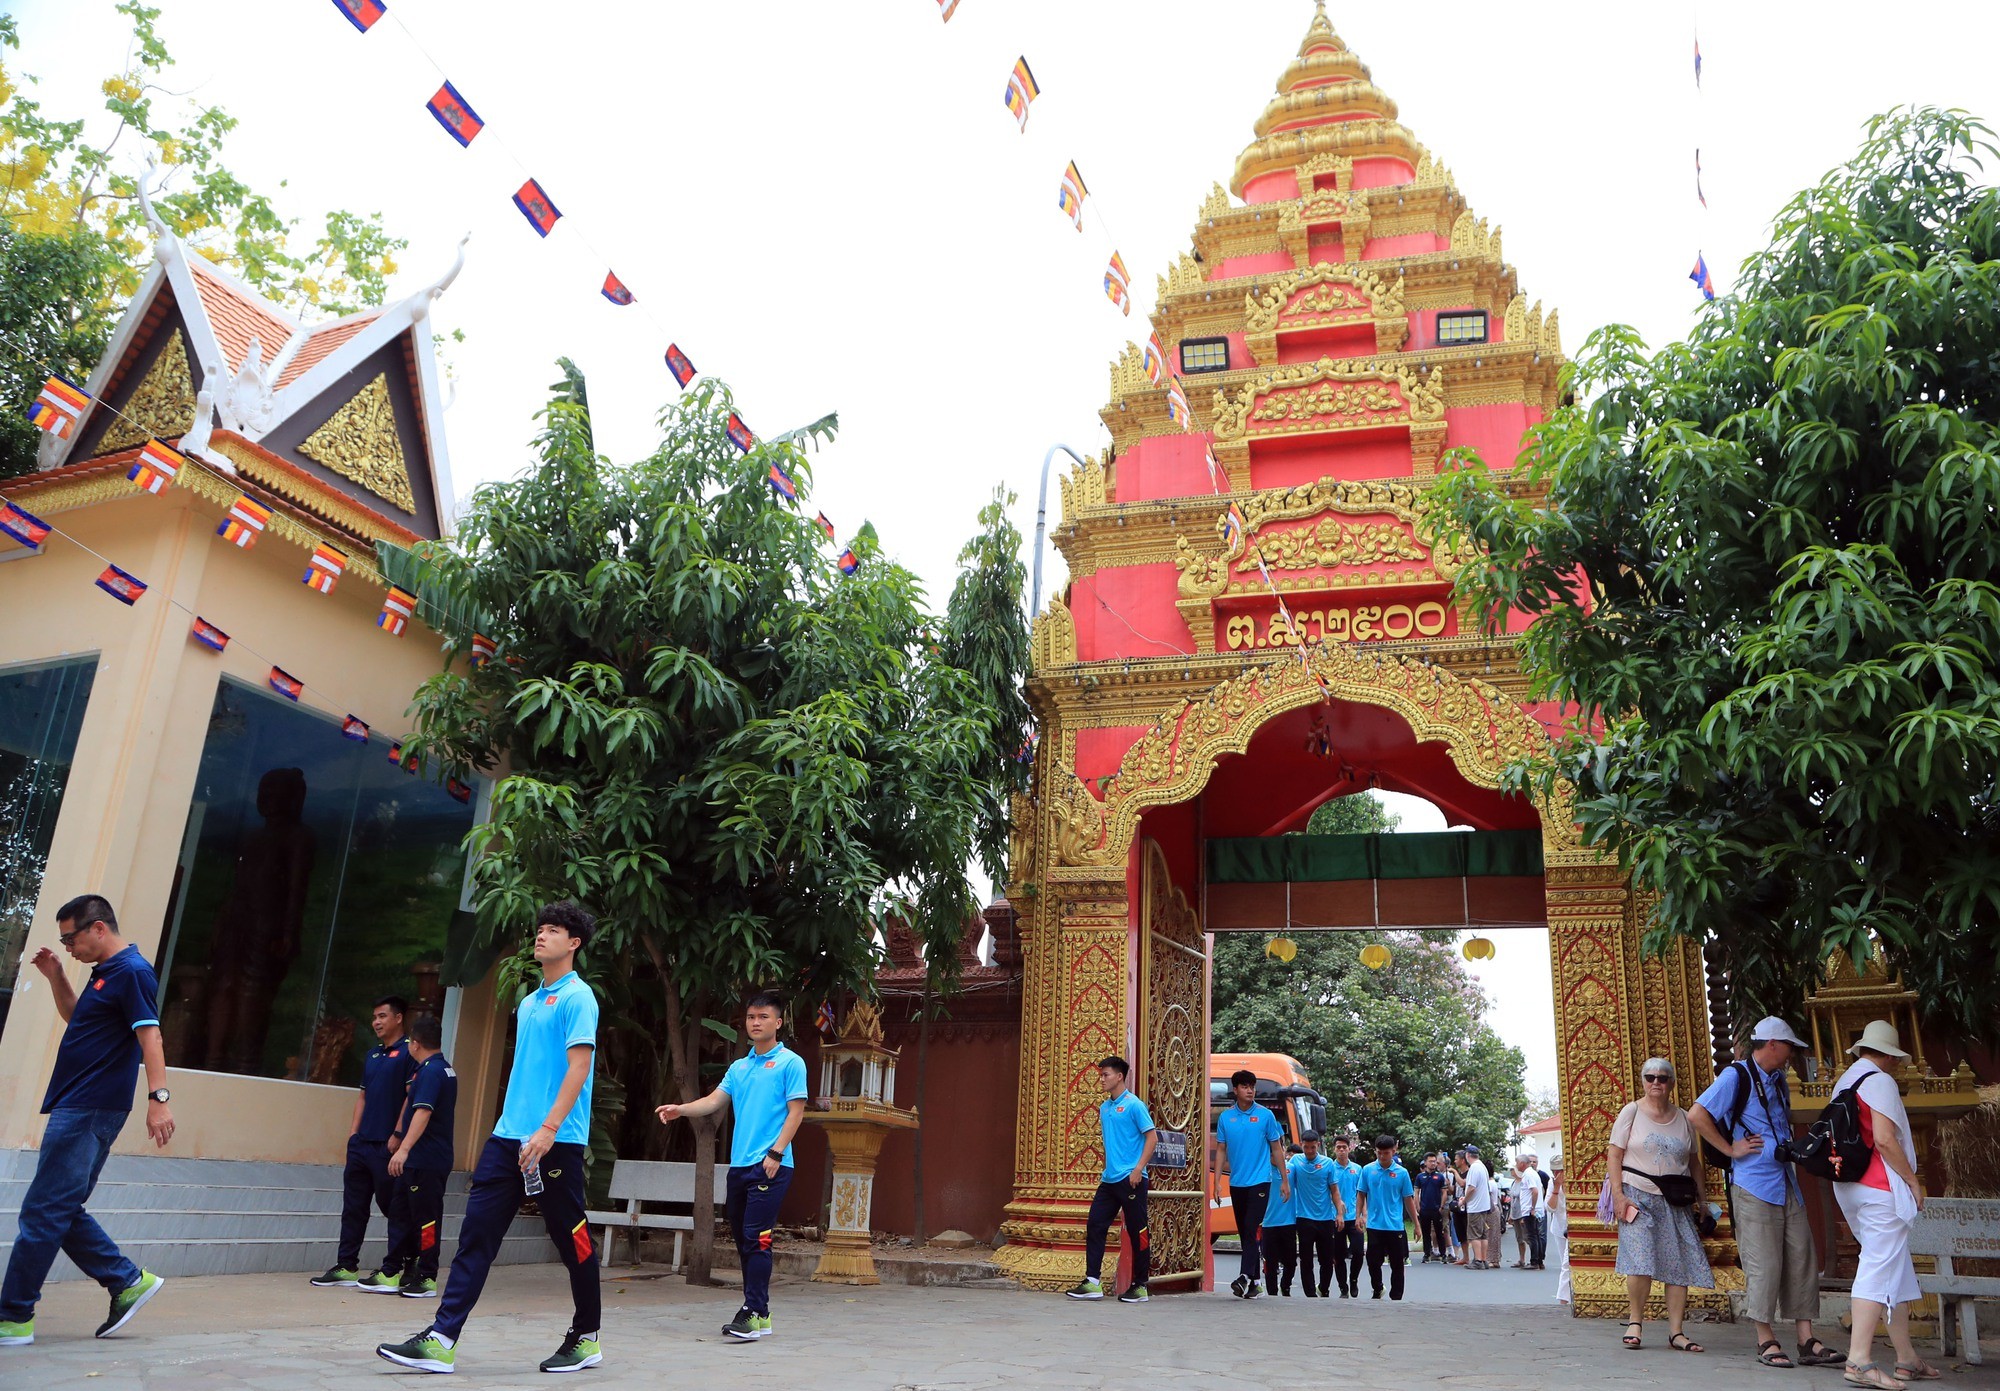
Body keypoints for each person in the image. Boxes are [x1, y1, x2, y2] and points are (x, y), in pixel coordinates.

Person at [375, 903, 602, 1375]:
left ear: (574, 943)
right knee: (477, 1235)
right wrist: (512, 1127)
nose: (541, 936)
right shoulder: (531, 1001)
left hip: (554, 1141)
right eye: (539, 929)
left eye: (553, 930)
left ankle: (587, 1335)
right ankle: (442, 1337)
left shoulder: (580, 998)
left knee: (572, 1238)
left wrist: (548, 1128)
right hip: (507, 1139)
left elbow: (578, 1068)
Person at [0, 895, 171, 1348]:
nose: (68, 947)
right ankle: (126, 1280)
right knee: (58, 1207)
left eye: (69, 938)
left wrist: (159, 1099)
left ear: (97, 928)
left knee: (43, 1210)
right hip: (81, 1103)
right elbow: (79, 1020)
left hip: (89, 1107)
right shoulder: (106, 975)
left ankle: (13, 1316)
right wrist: (57, 976)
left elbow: (150, 1035)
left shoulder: (132, 971)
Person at [1689, 1017, 1844, 1371]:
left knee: (1801, 1257)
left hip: (1785, 1180)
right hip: (1753, 1182)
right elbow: (1697, 1114)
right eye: (1789, 1046)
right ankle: (1765, 1337)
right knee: (1764, 1263)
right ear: (1773, 1044)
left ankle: (1806, 1339)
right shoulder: (1736, 1076)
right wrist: (1730, 1149)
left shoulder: (1778, 1081)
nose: (1792, 1054)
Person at [656, 990, 809, 1340]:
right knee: (743, 1239)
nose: (756, 1022)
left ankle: (754, 1311)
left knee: (757, 1237)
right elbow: (714, 1100)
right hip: (740, 1167)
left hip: (771, 1164)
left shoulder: (790, 1063)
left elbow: (796, 1112)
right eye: (751, 1017)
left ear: (778, 1022)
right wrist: (680, 1110)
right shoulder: (740, 1067)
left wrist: (776, 1153)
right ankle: (759, 1311)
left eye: (763, 1017)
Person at [1831, 1022, 1939, 1389]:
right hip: (1880, 1187)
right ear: (1890, 1056)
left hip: (1849, 1186)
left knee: (1895, 1265)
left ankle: (1907, 1357)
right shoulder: (1880, 1081)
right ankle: (1858, 1360)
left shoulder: (1844, 1080)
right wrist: (1913, 1180)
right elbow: (1885, 1139)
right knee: (1878, 1265)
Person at [1607, 1056, 1713, 1353]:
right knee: (1639, 1259)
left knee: (1677, 1263)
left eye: (1662, 1078)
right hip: (1637, 1194)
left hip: (1675, 1199)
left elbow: (1694, 1162)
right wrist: (1618, 1195)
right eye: (1650, 1077)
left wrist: (1703, 1201)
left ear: (1671, 1084)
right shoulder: (1631, 1112)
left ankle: (1676, 1331)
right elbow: (1614, 1155)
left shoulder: (1682, 1117)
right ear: (1642, 1081)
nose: (1656, 1082)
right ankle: (1635, 1321)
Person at [316, 996, 416, 1289]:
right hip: (362, 1145)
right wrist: (352, 1135)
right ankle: (346, 1265)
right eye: (374, 1017)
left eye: (383, 1016)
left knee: (393, 1207)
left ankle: (402, 1264)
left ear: (398, 1018)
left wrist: (398, 1135)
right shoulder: (372, 1055)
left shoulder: (410, 1052)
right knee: (353, 1207)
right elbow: (362, 1096)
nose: (376, 1022)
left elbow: (412, 1098)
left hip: (388, 1146)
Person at [369, 1014, 457, 1300]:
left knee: (426, 1219)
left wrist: (404, 1149)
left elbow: (423, 1111)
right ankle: (391, 1270)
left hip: (425, 1160)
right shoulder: (439, 1068)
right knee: (401, 1214)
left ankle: (427, 1275)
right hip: (421, 1159)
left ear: (415, 1043)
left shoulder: (432, 1072)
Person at [1066, 1056, 1157, 1304]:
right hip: (1109, 1180)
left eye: (1106, 1074)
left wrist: (1138, 1169)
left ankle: (1140, 1285)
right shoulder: (1104, 1108)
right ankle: (1092, 1282)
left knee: (1138, 1230)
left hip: (1132, 1179)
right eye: (1101, 1074)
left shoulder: (1134, 1105)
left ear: (1119, 1076)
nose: (1102, 1079)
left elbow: (1152, 1138)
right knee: (1095, 1224)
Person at [1214, 1069, 1288, 1299]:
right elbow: (1221, 1150)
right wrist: (1216, 1182)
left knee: (1250, 1227)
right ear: (1235, 1090)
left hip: (1260, 1181)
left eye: (1252, 1086)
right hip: (1237, 1182)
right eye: (1245, 1086)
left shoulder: (1266, 1116)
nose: (1250, 1090)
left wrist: (1284, 1180)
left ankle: (1245, 1276)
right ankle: (1255, 1283)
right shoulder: (1226, 1118)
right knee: (1245, 1231)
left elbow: (1276, 1149)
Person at [1355, 1134, 1416, 1300]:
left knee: (1397, 1264)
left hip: (1395, 1226)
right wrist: (1358, 1216)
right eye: (1379, 1153)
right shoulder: (1368, 1170)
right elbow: (1361, 1194)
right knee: (1373, 1262)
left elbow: (1408, 1199)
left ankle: (1396, 1296)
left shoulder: (1402, 1173)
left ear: (1394, 1151)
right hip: (1375, 1225)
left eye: (1386, 1153)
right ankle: (1377, 1287)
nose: (1382, 1156)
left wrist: (1416, 1224)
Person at [1288, 1132, 1340, 1296]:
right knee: (1306, 1259)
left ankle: (1324, 1289)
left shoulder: (1328, 1163)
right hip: (1304, 1218)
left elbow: (1334, 1191)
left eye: (1312, 1147)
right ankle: (1310, 1293)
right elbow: (1285, 1177)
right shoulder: (1295, 1161)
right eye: (1306, 1147)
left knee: (1326, 1260)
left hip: (1325, 1219)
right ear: (1301, 1145)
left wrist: (1339, 1213)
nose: (1309, 1151)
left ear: (1318, 1145)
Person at [1262, 1143, 1302, 1296]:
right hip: (1269, 1222)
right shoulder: (1263, 1170)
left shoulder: (1292, 1169)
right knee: (1270, 1263)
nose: (1275, 1155)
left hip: (1289, 1222)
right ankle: (1272, 1293)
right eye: (1271, 1153)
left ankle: (1285, 1286)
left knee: (1291, 1262)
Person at [1328, 1134, 1365, 1296]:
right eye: (1338, 1148)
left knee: (1358, 1251)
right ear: (1334, 1149)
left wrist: (1363, 1214)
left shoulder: (1357, 1169)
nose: (1342, 1150)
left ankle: (1354, 1280)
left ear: (1349, 1148)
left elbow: (1362, 1193)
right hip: (1336, 1218)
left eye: (1344, 1147)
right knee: (1338, 1255)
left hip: (1354, 1218)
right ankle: (1343, 1287)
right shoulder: (1330, 1168)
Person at [1461, 1144, 1496, 1269]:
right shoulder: (1482, 1167)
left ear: (1467, 1155)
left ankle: (1478, 1260)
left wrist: (1463, 1201)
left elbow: (1471, 1188)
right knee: (1483, 1234)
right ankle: (1484, 1259)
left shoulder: (1474, 1168)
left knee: (1474, 1234)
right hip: (1484, 1205)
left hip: (1475, 1206)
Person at [1509, 1154, 1543, 1268]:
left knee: (1532, 1236)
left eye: (1517, 1163)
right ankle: (1538, 1261)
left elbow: (1535, 1191)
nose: (1516, 1166)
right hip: (1532, 1209)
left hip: (1529, 1210)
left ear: (1522, 1163)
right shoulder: (1532, 1174)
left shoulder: (1528, 1175)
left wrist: (1532, 1208)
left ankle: (1534, 1261)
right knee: (1536, 1235)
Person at [1415, 1155, 1449, 1263]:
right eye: (1430, 1161)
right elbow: (1416, 1192)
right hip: (1424, 1209)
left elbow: (1444, 1192)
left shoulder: (1439, 1177)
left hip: (1436, 1209)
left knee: (1440, 1232)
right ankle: (1427, 1254)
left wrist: (1441, 1206)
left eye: (1434, 1161)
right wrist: (1417, 1206)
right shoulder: (1420, 1177)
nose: (1433, 1164)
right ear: (1425, 1163)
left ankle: (1443, 1254)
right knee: (1426, 1232)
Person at [1548, 1157, 1572, 1305]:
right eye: (1555, 1171)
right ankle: (1567, 1297)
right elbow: (1550, 1208)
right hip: (1559, 1228)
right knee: (1567, 1265)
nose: (1557, 1174)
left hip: (1573, 1228)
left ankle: (1563, 1300)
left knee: (1567, 1264)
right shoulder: (1552, 1183)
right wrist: (1556, 1189)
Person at [1447, 1150, 1469, 1262]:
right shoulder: (1457, 1175)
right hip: (1457, 1206)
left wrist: (1454, 1172)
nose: (1455, 1161)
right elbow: (1453, 1191)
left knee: (1468, 1232)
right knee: (1460, 1233)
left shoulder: (1469, 1172)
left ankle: (1474, 1257)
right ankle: (1465, 1257)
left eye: (1456, 1159)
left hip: (1467, 1206)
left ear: (1463, 1160)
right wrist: (1448, 1185)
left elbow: (1463, 1183)